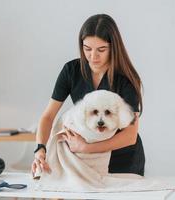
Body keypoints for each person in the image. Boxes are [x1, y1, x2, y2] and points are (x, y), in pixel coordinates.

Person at [31, 14, 145, 176]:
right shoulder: (71, 71)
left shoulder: (126, 79)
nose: (93, 56)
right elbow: (48, 116)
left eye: (101, 49)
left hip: (122, 160)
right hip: (84, 161)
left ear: (113, 47)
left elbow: (130, 136)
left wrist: (86, 147)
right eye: (87, 49)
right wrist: (40, 149)